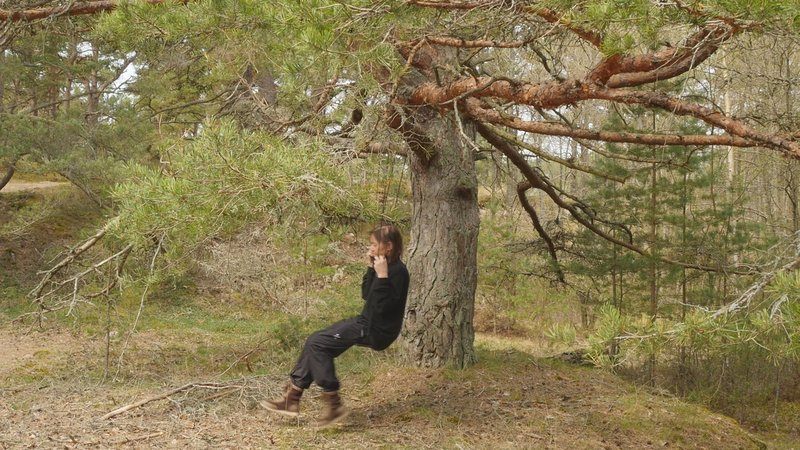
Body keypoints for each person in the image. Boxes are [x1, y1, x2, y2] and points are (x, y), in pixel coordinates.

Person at [261, 224, 410, 428]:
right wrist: (371, 268)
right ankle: (293, 397)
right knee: (316, 341)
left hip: (376, 330)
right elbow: (367, 295)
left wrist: (382, 276)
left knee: (318, 343)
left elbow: (382, 309)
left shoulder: (398, 272)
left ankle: (333, 404)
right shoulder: (382, 265)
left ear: (389, 246)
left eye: (375, 244)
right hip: (365, 322)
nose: (371, 248)